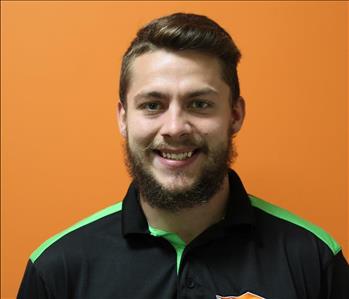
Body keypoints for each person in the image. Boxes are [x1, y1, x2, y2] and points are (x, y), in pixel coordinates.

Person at [17, 12, 349, 299]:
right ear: (123, 118)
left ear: (235, 115)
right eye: (152, 105)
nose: (174, 127)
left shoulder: (314, 259)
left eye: (200, 104)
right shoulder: (58, 269)